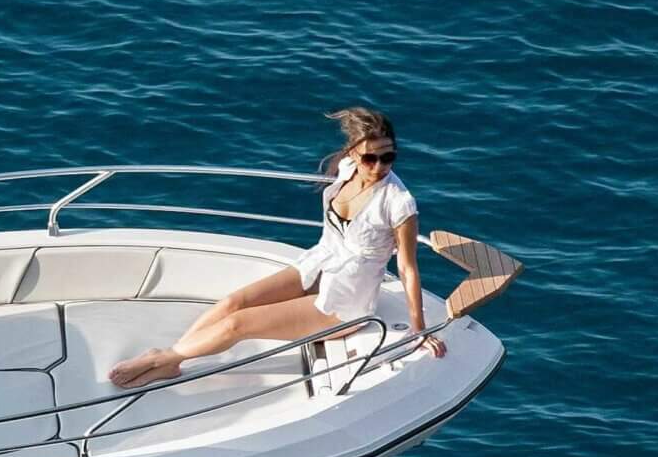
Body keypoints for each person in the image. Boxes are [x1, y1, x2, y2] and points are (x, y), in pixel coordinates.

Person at [108, 107, 447, 388]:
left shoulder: (398, 202)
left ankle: (167, 359)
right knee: (232, 303)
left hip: (346, 300)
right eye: (370, 158)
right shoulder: (346, 170)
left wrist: (419, 329)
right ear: (352, 154)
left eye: (388, 157)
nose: (380, 166)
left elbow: (407, 267)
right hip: (320, 264)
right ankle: (172, 356)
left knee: (237, 324)